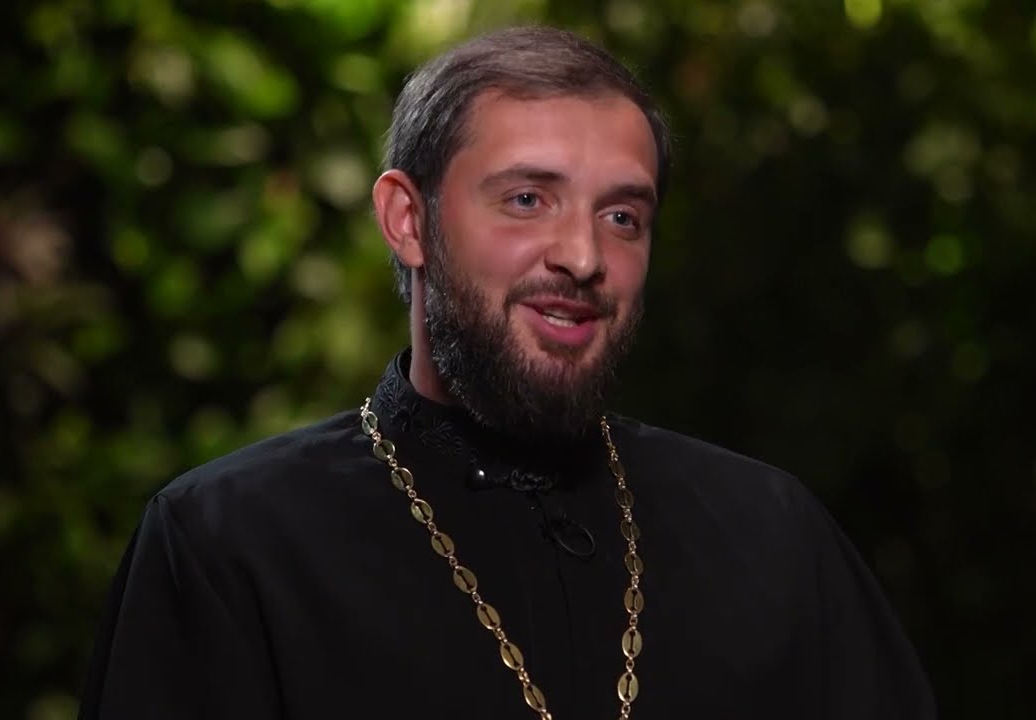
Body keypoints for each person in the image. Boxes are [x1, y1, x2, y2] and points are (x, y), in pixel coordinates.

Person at [78, 26, 934, 720]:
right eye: (527, 200)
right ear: (408, 220)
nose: (583, 257)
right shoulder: (229, 546)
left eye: (623, 216)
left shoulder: (773, 535)